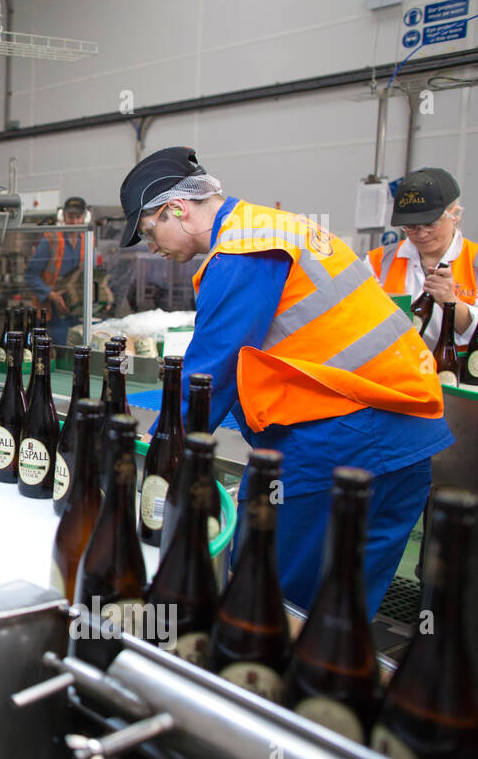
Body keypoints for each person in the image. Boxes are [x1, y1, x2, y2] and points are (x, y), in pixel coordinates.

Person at [120, 147, 452, 618]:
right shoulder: (276, 227)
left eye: (150, 231)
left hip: (337, 441)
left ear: (177, 209)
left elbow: (210, 375)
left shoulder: (242, 249)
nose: (153, 247)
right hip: (406, 440)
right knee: (342, 615)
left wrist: (157, 457)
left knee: (271, 605)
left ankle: (259, 687)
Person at [367, 167, 476, 351]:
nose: (421, 234)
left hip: (460, 376)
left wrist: (450, 301)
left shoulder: (475, 261)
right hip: (397, 371)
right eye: (410, 226)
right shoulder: (376, 262)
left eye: (430, 224)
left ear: (455, 214)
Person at [25, 196, 88, 341]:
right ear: (63, 216)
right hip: (51, 312)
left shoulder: (87, 240)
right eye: (71, 217)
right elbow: (30, 275)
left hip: (77, 311)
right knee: (58, 350)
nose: (75, 222)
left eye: (78, 217)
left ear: (85, 217)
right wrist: (52, 296)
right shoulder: (51, 240)